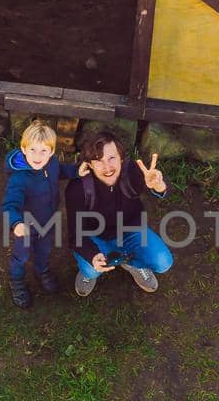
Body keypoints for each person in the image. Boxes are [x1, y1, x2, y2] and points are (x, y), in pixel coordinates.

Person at [65, 128, 174, 298]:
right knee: (91, 270)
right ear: (89, 164)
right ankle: (89, 272)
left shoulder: (133, 172)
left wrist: (159, 186)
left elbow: (161, 189)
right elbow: (75, 235)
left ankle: (132, 263)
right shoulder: (77, 189)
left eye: (111, 158)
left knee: (163, 262)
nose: (107, 167)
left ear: (121, 157)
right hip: (96, 237)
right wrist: (92, 255)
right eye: (98, 161)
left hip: (131, 230)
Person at [1, 121, 81, 308]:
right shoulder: (19, 178)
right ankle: (16, 280)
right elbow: (9, 205)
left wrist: (77, 170)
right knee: (21, 255)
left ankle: (41, 270)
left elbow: (61, 171)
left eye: (44, 151)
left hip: (47, 220)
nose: (38, 156)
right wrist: (16, 223)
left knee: (44, 249)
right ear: (23, 149)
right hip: (26, 227)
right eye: (33, 150)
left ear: (52, 151)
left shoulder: (51, 164)